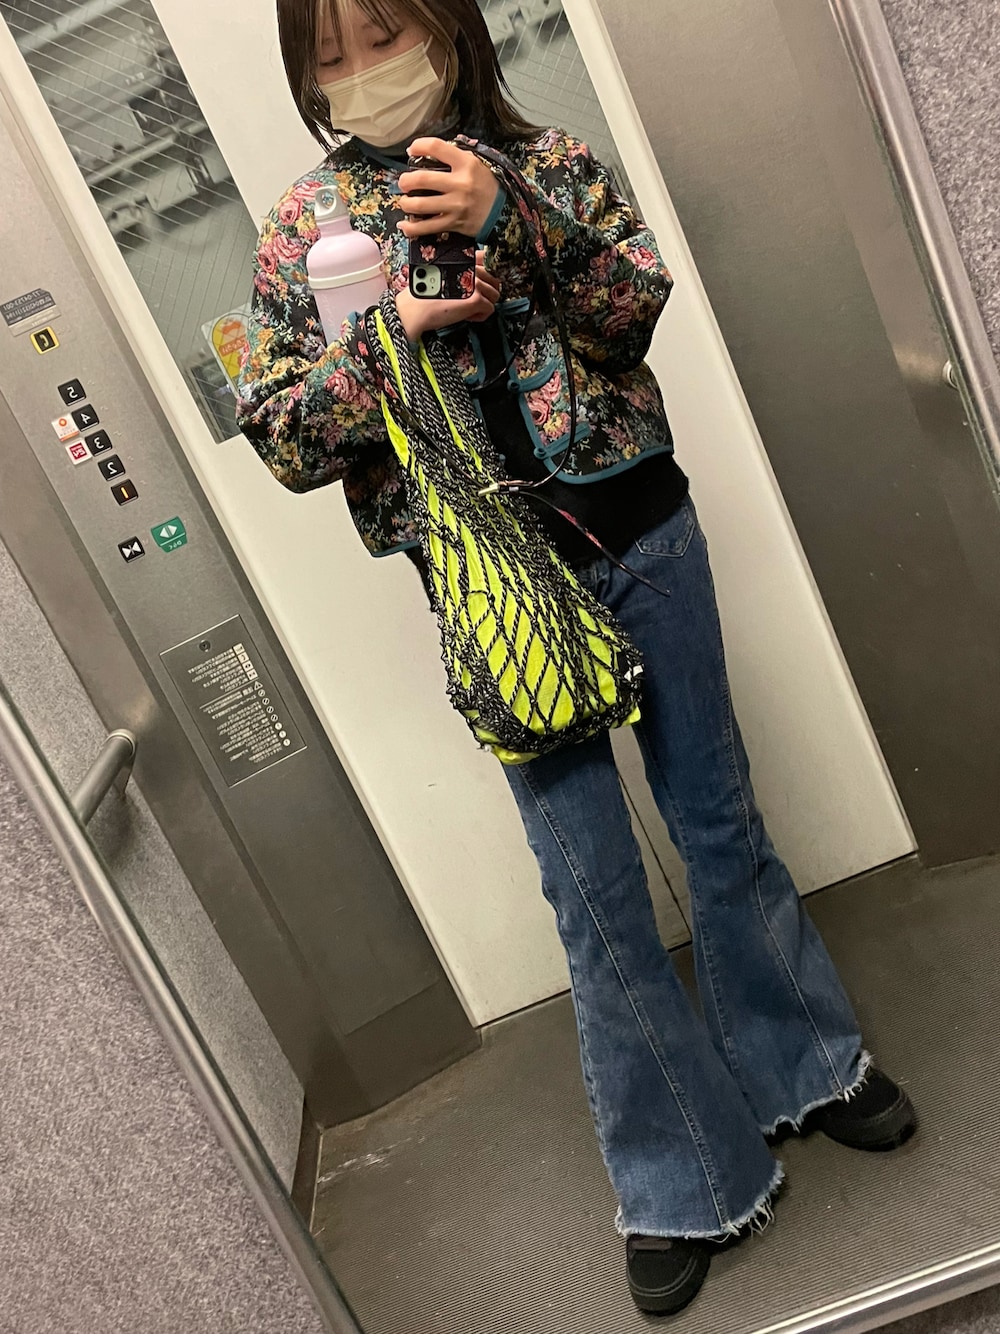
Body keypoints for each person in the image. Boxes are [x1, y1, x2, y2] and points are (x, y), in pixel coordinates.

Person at [236, 0, 918, 1315]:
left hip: (642, 533)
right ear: (305, 78)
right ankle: (680, 1175)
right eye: (330, 56)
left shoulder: (544, 161)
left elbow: (633, 309)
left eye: (384, 34)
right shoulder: (302, 231)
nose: (365, 72)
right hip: (494, 586)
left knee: (717, 818)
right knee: (592, 890)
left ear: (446, 26)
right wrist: (393, 336)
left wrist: (514, 221)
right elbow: (282, 437)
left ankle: (807, 1064)